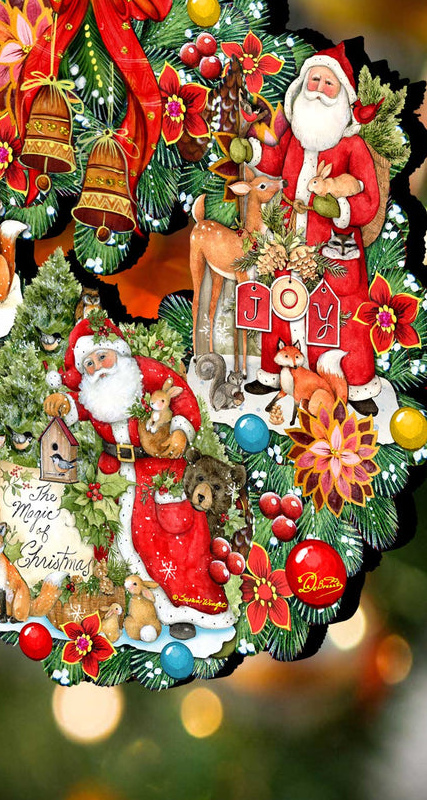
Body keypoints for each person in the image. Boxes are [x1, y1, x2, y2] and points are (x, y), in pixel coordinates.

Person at [44, 318, 234, 638]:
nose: (99, 367)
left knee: (170, 544)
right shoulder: (94, 391)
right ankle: (120, 606)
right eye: (89, 363)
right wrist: (65, 403)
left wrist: (181, 432)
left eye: (103, 357)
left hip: (157, 471)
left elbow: (183, 398)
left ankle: (182, 611)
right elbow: (82, 404)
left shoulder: (145, 372)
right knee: (114, 542)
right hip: (114, 471)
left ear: (117, 352)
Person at [247, 43, 384, 415]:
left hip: (334, 248)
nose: (320, 89)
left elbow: (369, 199)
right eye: (315, 80)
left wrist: (337, 206)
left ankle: (355, 386)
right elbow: (273, 160)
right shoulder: (294, 134)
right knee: (281, 301)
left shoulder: (353, 146)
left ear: (342, 95)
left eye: (329, 83)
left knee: (341, 313)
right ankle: (277, 372)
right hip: (289, 240)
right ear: (302, 85)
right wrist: (252, 154)